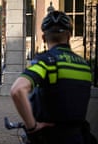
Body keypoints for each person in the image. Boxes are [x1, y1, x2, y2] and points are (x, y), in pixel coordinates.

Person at [10, 11, 92, 144]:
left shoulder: (47, 61)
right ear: (69, 36)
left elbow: (17, 90)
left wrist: (33, 128)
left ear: (43, 38)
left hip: (50, 137)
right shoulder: (85, 66)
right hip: (79, 136)